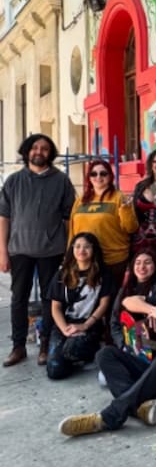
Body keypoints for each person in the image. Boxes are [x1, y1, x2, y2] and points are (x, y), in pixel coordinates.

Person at [58, 270, 156, 436]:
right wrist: (152, 310)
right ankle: (139, 408)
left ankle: (110, 416)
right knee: (105, 354)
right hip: (153, 375)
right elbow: (128, 301)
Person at [0, 134, 75, 367]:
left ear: (50, 153)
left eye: (44, 148)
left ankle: (46, 345)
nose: (39, 152)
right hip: (19, 249)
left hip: (52, 250)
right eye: (34, 148)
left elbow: (69, 218)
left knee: (50, 299)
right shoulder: (13, 181)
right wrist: (3, 251)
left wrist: (69, 250)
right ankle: (18, 346)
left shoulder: (61, 181)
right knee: (18, 299)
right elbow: (4, 217)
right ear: (27, 152)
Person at [46, 232, 113, 380]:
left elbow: (104, 305)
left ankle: (88, 351)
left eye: (86, 247)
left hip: (89, 325)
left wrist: (84, 326)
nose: (81, 250)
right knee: (54, 371)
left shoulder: (104, 275)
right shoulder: (62, 274)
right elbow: (55, 307)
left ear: (93, 250)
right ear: (72, 249)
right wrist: (64, 329)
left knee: (72, 349)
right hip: (65, 325)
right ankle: (68, 358)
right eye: (77, 246)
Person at [69, 159, 138, 291]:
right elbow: (72, 231)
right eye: (93, 174)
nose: (98, 177)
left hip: (112, 260)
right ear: (88, 177)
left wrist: (126, 210)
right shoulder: (81, 200)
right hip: (85, 258)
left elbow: (131, 228)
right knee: (87, 298)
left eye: (103, 173)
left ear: (110, 176)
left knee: (109, 299)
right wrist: (70, 254)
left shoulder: (119, 197)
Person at [108, 248, 156, 359]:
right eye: (137, 263)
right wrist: (123, 346)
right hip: (127, 347)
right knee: (104, 355)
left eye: (147, 263)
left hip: (152, 349)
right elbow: (114, 323)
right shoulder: (125, 290)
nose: (142, 267)